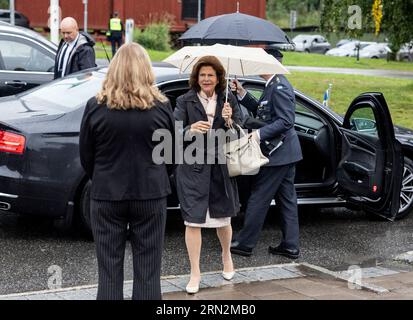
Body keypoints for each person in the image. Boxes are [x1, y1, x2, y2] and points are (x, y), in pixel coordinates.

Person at [79, 43, 174, 300]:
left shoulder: (95, 107)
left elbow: (86, 155)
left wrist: (101, 177)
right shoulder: (162, 107)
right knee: (148, 270)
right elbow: (171, 155)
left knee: (108, 270)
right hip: (151, 193)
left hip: (107, 193)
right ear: (146, 70)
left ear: (114, 70)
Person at [174, 56, 242, 294]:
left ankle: (226, 257)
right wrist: (189, 129)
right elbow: (173, 130)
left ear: (218, 78)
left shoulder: (228, 98)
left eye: (210, 75)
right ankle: (195, 272)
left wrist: (229, 119)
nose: (206, 79)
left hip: (220, 168)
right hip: (192, 169)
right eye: (202, 75)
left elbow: (240, 130)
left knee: (223, 219)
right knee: (193, 221)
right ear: (197, 78)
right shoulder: (184, 100)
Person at [230, 48, 303, 259]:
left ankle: (244, 244)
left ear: (269, 63)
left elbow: (285, 121)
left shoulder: (279, 86)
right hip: (286, 154)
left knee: (258, 198)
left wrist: (258, 135)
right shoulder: (272, 84)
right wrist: (242, 93)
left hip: (278, 154)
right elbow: (263, 111)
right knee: (287, 200)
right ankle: (290, 246)